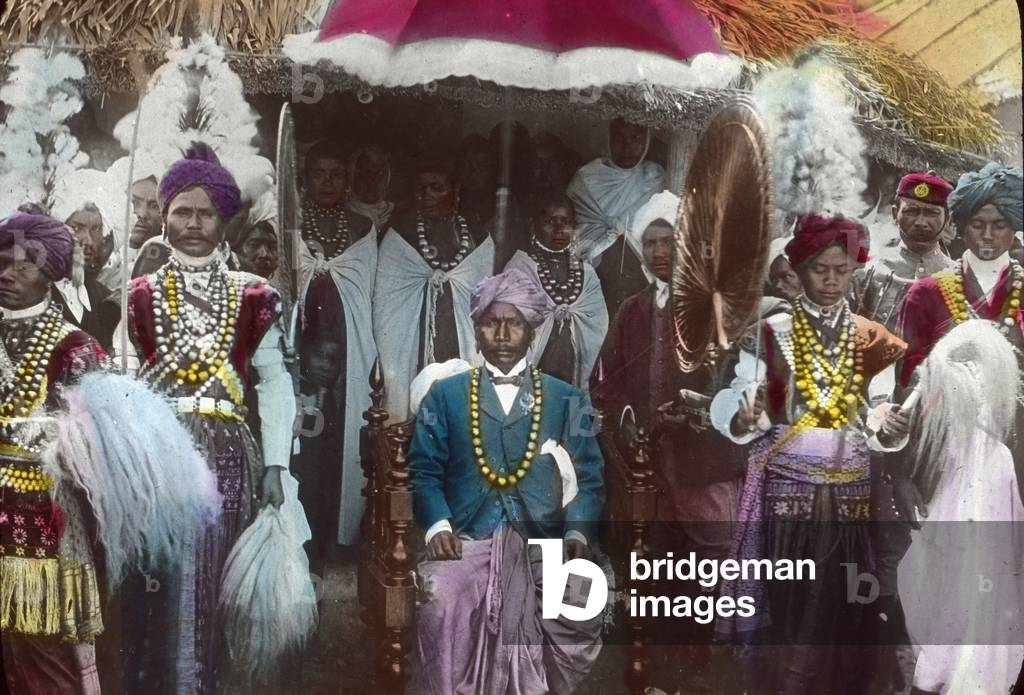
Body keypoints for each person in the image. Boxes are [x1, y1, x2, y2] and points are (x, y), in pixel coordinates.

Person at [0, 208, 214, 695]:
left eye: (23, 265)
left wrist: (63, 442)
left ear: (52, 273)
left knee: (45, 661)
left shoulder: (75, 348)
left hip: (47, 533)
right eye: (2, 263)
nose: (8, 274)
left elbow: (104, 455)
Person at [710, 213, 911, 694]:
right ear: (798, 270)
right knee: (788, 614)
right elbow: (742, 404)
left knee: (842, 617)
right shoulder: (770, 331)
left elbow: (879, 416)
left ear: (854, 270)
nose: (831, 280)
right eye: (820, 268)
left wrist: (889, 428)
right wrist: (744, 416)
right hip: (786, 505)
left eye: (842, 269)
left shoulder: (872, 338)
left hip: (850, 506)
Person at [126, 143, 300, 693]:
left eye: (205, 213)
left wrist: (275, 464)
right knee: (160, 577)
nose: (193, 224)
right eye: (182, 211)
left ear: (225, 220)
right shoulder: (140, 295)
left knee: (218, 571)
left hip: (228, 453)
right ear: (166, 215)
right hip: (161, 452)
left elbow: (273, 382)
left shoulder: (255, 295)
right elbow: (126, 383)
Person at [407, 268, 605, 695]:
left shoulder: (569, 397)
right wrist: (438, 526)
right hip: (467, 537)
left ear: (531, 332)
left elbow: (589, 478)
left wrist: (577, 532)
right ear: (476, 330)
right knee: (440, 599)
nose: (501, 333)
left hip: (543, 541)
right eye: (490, 323)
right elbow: (423, 473)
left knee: (579, 605)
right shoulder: (445, 395)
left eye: (513, 323)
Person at [590, 192, 748, 688]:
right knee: (655, 571)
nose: (661, 251)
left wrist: (705, 409)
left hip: (706, 465)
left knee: (708, 570)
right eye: (652, 242)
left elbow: (744, 379)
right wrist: (633, 419)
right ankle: (656, 676)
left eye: (670, 241)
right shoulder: (633, 310)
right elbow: (606, 382)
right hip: (650, 467)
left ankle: (697, 677)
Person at [895, 322, 1024, 695]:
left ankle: (974, 672)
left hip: (993, 487)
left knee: (988, 577)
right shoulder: (937, 376)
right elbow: (908, 430)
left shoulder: (1005, 387)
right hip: (953, 483)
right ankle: (941, 667)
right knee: (942, 572)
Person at [896, 163, 1024, 498]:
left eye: (999, 225)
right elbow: (906, 383)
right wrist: (903, 475)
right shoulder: (925, 293)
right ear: (961, 227)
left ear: (1014, 231)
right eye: (977, 224)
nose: (987, 235)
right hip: (940, 453)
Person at [374, 157, 494, 419]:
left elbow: (485, 305)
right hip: (411, 344)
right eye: (420, 188)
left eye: (436, 188)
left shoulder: (477, 237)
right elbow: (386, 311)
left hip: (458, 338)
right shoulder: (399, 235)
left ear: (456, 191)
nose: (426, 195)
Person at [506, 194, 608, 387]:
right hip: (535, 371)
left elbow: (598, 326)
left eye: (566, 222)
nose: (559, 230)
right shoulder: (519, 269)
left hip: (573, 370)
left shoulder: (586, 273)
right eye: (550, 221)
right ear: (533, 224)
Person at [567, 117, 665, 317]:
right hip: (596, 276)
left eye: (636, 138)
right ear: (608, 139)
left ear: (646, 141)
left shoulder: (654, 178)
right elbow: (574, 231)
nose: (627, 146)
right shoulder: (587, 178)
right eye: (619, 138)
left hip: (641, 280)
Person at [851, 172, 956, 331]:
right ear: (895, 214)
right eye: (911, 211)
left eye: (932, 213)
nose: (921, 222)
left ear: (947, 219)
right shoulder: (870, 271)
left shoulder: (958, 277)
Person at [303, 141, 373, 263]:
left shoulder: (362, 227)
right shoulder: (294, 224)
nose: (328, 181)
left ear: (347, 179)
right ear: (306, 179)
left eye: (336, 175)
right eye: (319, 175)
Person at [345, 145, 394, 230]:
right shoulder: (344, 212)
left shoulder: (393, 213)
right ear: (354, 176)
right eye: (366, 173)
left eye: (378, 173)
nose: (371, 181)